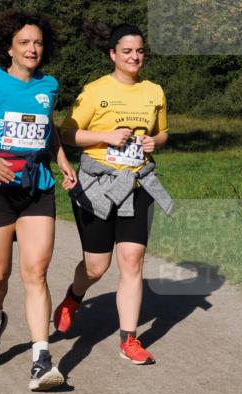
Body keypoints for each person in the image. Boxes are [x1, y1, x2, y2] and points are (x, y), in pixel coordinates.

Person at [0, 10, 77, 392]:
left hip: (37, 187)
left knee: (36, 273)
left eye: (38, 42)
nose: (32, 48)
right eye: (24, 42)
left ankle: (41, 360)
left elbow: (49, 129)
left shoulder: (49, 85)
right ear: (8, 47)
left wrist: (62, 162)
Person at [53, 25, 173, 364]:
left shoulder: (154, 91)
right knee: (97, 266)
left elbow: (162, 133)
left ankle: (129, 340)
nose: (135, 57)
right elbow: (66, 135)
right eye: (127, 52)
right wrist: (106, 136)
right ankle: (74, 298)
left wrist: (154, 142)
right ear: (113, 55)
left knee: (132, 262)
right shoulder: (94, 91)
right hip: (99, 186)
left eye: (139, 51)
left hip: (138, 184)